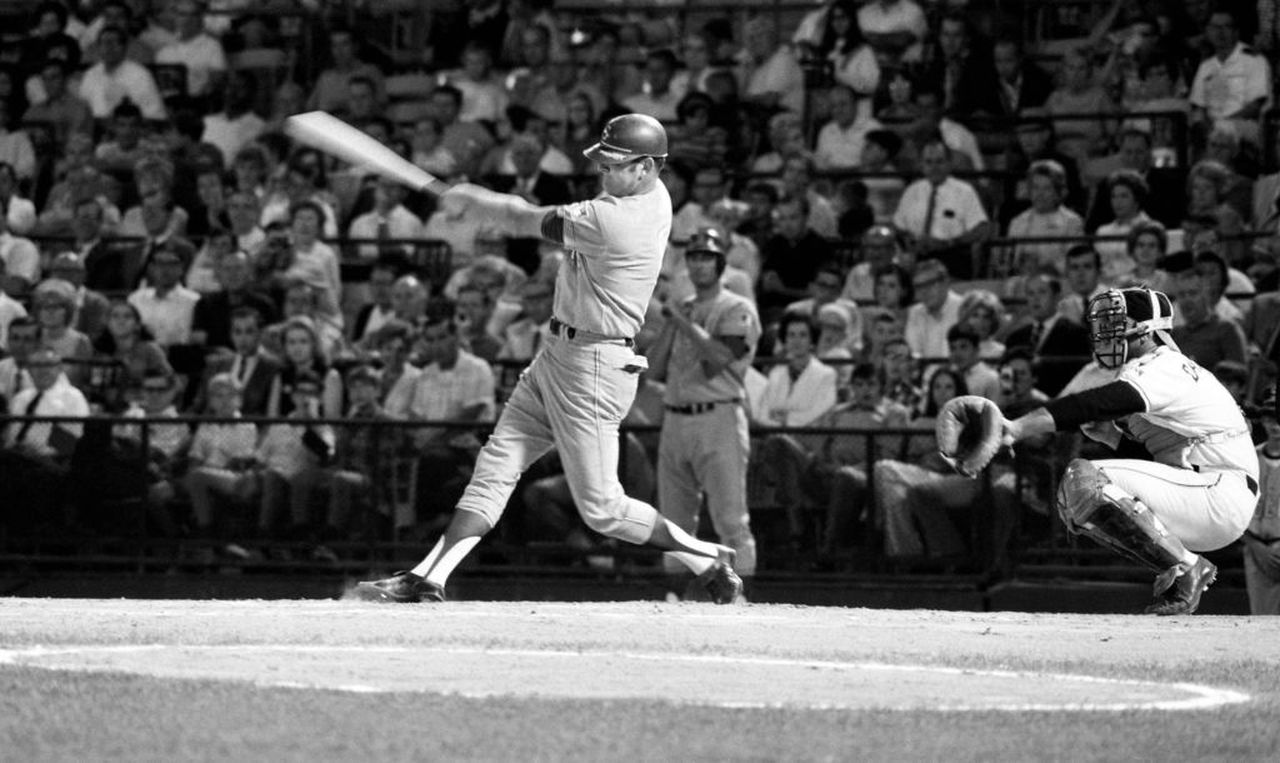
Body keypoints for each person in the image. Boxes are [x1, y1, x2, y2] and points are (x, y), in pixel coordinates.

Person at [354, 114, 745, 604]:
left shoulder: (618, 220)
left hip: (595, 368)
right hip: (560, 353)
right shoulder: (643, 193)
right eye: (602, 162)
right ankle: (429, 575)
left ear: (648, 168)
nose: (604, 172)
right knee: (498, 461)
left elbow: (521, 217)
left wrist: (470, 199)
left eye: (615, 165)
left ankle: (708, 558)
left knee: (603, 509)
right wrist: (471, 199)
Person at [993, 287, 1259, 615]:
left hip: (1219, 493)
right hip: (1206, 494)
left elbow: (1094, 401)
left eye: (1117, 322)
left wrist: (1018, 427)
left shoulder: (1164, 364)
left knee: (1084, 479)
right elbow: (1164, 463)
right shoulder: (1160, 369)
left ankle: (1186, 567)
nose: (1105, 332)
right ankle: (1181, 569)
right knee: (1075, 501)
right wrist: (1112, 438)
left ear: (1147, 330)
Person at [646, 228, 762, 594]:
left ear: (720, 262)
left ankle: (743, 596)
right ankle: (675, 597)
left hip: (719, 417)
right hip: (675, 418)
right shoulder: (683, 310)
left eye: (707, 257)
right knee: (674, 521)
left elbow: (719, 358)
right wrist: (670, 323)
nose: (699, 264)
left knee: (731, 519)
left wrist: (682, 321)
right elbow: (653, 367)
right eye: (694, 256)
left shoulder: (736, 307)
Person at [1243, 385, 1280, 615]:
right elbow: (1236, 504)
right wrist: (1253, 544)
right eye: (1270, 418)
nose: (1276, 426)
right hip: (1255, 546)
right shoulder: (1249, 457)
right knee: (1262, 615)